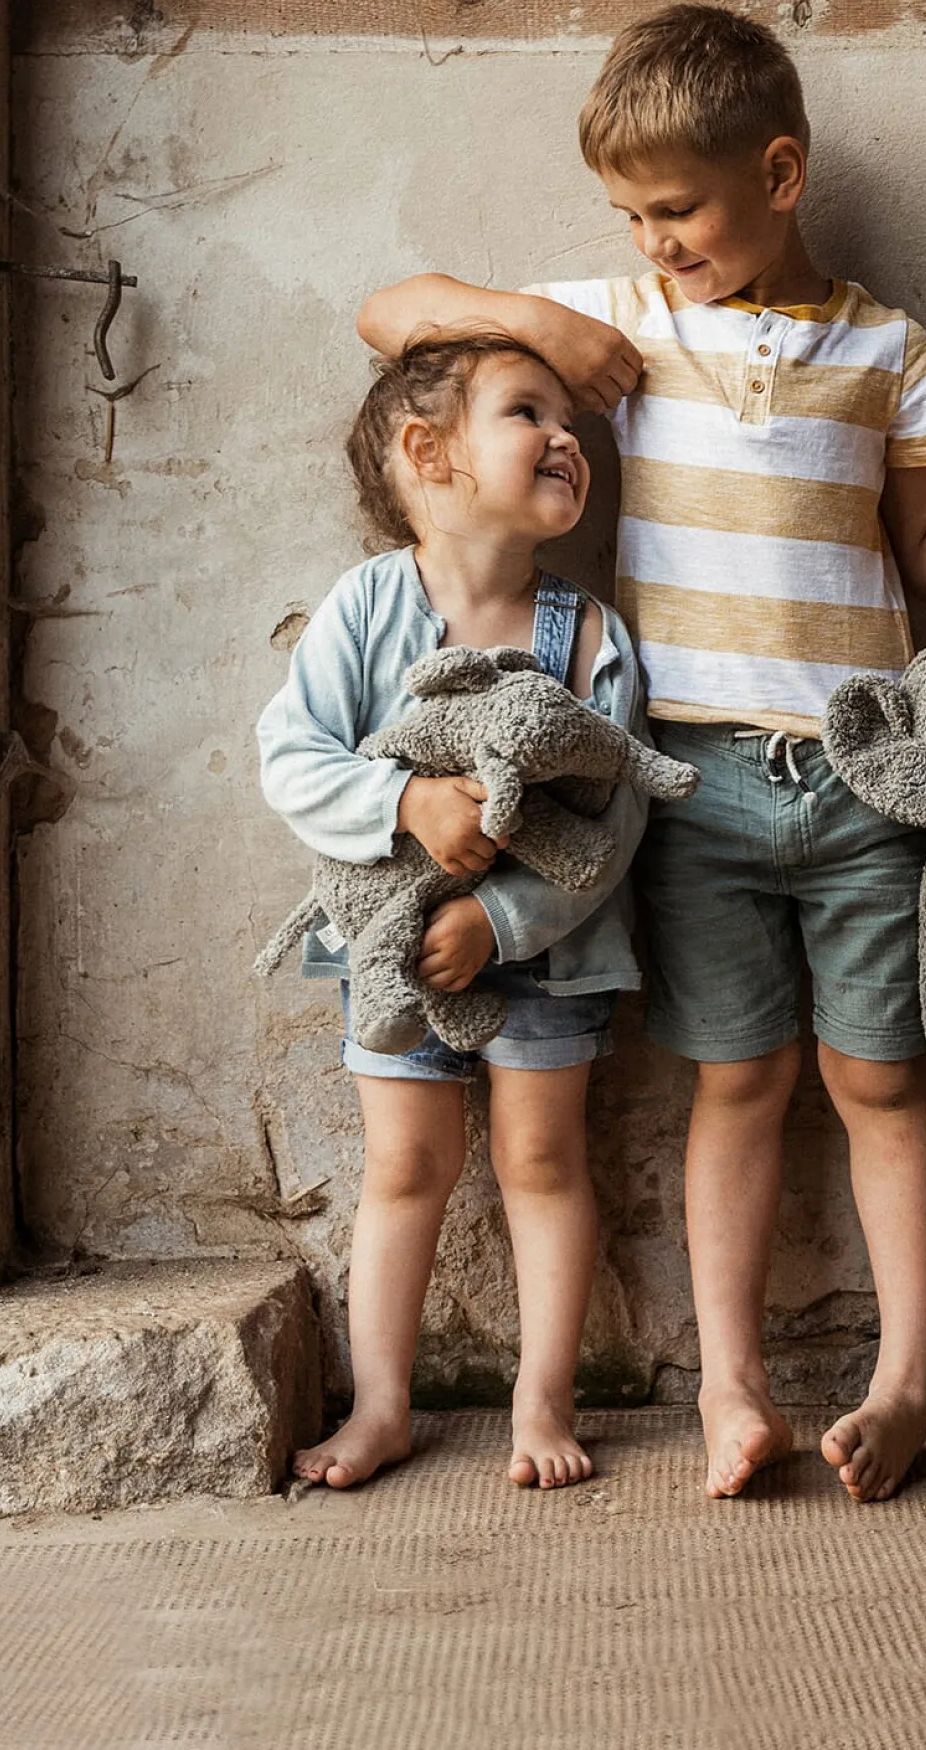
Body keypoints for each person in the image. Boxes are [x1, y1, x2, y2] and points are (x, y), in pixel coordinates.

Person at [358, 4, 926, 1503]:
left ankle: (909, 1379)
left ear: (781, 173)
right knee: (736, 1080)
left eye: (677, 209)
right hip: (687, 780)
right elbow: (390, 312)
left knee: (879, 1079)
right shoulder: (631, 330)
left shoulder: (888, 346)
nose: (654, 239)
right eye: (630, 215)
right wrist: (543, 325)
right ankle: (731, 1388)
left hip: (866, 777)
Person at [257, 332, 653, 1492]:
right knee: (404, 1167)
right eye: (527, 412)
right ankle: (382, 1404)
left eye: (568, 420)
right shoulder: (370, 608)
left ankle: (543, 1397)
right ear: (429, 454)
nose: (564, 437)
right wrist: (405, 801)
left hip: (548, 952)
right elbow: (290, 754)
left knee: (541, 1159)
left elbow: (615, 821)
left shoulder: (586, 635)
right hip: (392, 956)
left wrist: (504, 922)